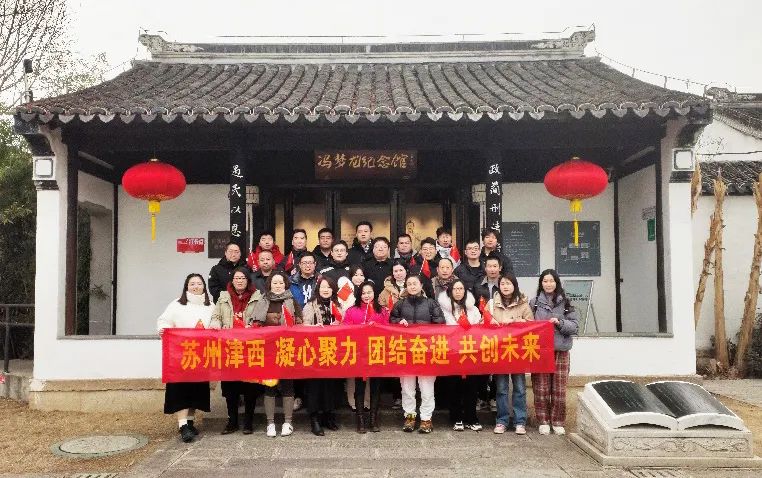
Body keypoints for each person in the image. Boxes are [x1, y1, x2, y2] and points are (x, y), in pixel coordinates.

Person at [157, 273, 214, 443]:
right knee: (180, 389)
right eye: (192, 284)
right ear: (186, 287)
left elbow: (215, 324)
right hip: (180, 355)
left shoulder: (210, 305)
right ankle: (182, 425)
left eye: (199, 283)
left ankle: (190, 422)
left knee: (196, 389)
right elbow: (164, 321)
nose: (196, 286)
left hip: (201, 355)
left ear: (204, 286)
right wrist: (163, 329)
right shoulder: (177, 304)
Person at [249, 271, 303, 438]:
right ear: (269, 284)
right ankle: (270, 423)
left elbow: (300, 323)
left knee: (288, 386)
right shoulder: (263, 301)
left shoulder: (292, 301)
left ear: (286, 284)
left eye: (281, 283)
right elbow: (255, 325)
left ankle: (288, 422)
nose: (278, 285)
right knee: (270, 386)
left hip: (287, 349)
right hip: (268, 350)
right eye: (275, 283)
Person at [209, 267, 263, 435]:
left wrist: (253, 325)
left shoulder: (257, 296)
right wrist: (216, 323)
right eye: (237, 278)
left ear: (248, 280)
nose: (240, 281)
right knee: (230, 387)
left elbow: (261, 317)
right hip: (229, 347)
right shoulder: (223, 297)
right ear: (232, 281)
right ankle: (232, 421)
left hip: (250, 347)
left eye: (243, 278)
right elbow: (216, 316)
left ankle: (248, 422)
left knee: (250, 387)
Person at [389, 275, 445, 433]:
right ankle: (410, 416)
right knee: (407, 388)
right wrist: (398, 322)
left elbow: (440, 322)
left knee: (426, 388)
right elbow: (391, 320)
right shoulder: (400, 304)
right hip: (405, 351)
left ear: (421, 285)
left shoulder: (431, 303)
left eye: (415, 283)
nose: (412, 286)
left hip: (426, 352)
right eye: (409, 284)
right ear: (406, 287)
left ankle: (426, 419)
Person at [530, 269, 579, 436]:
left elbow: (575, 326)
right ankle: (543, 421)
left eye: (551, 281)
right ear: (541, 283)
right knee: (540, 388)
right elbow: (529, 325)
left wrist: (560, 322)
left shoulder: (566, 302)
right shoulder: (534, 303)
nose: (548, 284)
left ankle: (558, 421)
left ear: (557, 283)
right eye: (545, 281)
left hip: (560, 350)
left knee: (559, 388)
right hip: (540, 351)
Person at [488, 273, 533, 435]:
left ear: (514, 285)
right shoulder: (492, 304)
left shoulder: (523, 304)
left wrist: (516, 322)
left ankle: (520, 421)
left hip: (517, 351)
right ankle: (502, 421)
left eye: (508, 283)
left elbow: (531, 325)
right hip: (500, 351)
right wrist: (489, 321)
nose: (505, 286)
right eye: (502, 284)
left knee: (519, 388)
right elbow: (483, 324)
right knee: (501, 389)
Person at [343, 281, 390, 433]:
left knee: (376, 386)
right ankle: (360, 420)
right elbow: (345, 329)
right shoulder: (352, 310)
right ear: (359, 294)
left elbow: (388, 329)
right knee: (360, 387)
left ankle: (373, 419)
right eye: (363, 293)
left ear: (374, 293)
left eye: (369, 292)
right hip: (359, 353)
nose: (366, 295)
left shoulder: (382, 311)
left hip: (377, 352)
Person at [437, 279, 482, 432]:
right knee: (453, 386)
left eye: (461, 288)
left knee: (472, 387)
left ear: (465, 291)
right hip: (452, 353)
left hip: (470, 353)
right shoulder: (443, 310)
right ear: (450, 291)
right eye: (455, 289)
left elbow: (479, 329)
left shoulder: (473, 309)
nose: (458, 291)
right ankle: (456, 417)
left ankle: (471, 417)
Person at [301, 276, 342, 436]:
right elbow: (303, 326)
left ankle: (328, 415)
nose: (326, 290)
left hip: (332, 351)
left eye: (329, 287)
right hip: (314, 352)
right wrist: (314, 328)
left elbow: (346, 326)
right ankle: (314, 419)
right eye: (323, 287)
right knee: (315, 385)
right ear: (318, 289)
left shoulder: (337, 305)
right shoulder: (310, 305)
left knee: (330, 385)